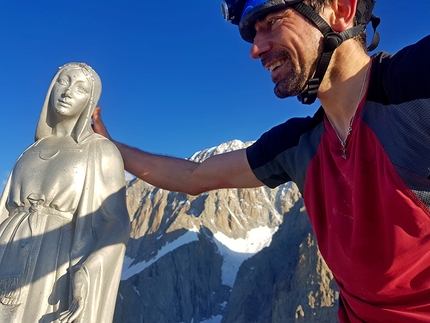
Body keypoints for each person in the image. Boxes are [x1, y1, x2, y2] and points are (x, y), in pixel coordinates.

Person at [92, 0, 430, 322]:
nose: (256, 49)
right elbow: (194, 176)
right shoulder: (300, 146)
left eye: (272, 23)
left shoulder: (414, 86)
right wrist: (108, 147)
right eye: (254, 33)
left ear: (341, 10)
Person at [0, 62, 130, 323]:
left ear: (89, 100)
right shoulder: (27, 153)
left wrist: (89, 270)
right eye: (63, 81)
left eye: (80, 88)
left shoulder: (100, 151)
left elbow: (114, 221)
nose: (68, 91)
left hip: (53, 262)